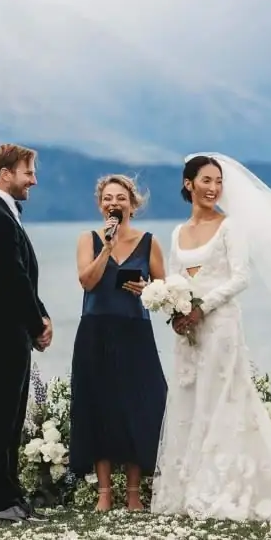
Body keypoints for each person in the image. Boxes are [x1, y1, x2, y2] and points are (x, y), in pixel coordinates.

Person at [151, 155, 271, 520]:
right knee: (188, 400)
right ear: (189, 183)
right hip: (187, 331)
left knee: (219, 400)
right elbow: (175, 278)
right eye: (206, 180)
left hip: (219, 325)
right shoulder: (177, 233)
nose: (213, 188)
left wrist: (202, 307)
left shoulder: (230, 227)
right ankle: (185, 486)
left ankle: (216, 488)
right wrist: (175, 312)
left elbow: (240, 277)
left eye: (218, 182)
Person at [69, 175, 167, 512]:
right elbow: (87, 281)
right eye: (108, 198)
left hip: (135, 332)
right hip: (96, 332)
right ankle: (104, 494)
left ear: (132, 205)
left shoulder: (149, 242)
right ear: (100, 205)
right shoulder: (89, 239)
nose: (115, 203)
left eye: (121, 198)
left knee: (137, 407)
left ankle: (135, 494)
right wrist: (107, 247)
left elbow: (164, 292)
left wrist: (148, 291)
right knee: (100, 408)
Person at [0, 144, 51, 523]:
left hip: (11, 330)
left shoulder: (4, 213)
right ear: (6, 174)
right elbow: (10, 279)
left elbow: (22, 275)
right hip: (0, 333)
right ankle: (1, 500)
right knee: (0, 417)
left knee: (12, 417)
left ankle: (12, 495)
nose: (33, 179)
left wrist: (40, 315)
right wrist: (36, 324)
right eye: (27, 172)